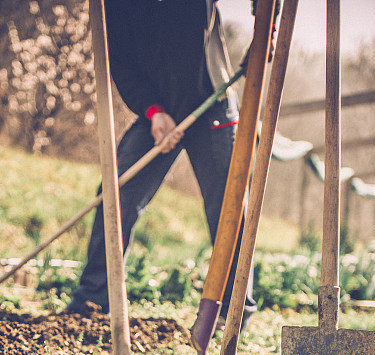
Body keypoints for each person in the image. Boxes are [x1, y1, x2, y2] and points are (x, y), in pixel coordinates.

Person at [66, 0, 259, 329]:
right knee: (118, 191)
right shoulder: (110, 6)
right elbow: (121, 64)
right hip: (160, 109)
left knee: (229, 204)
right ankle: (95, 297)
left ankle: (234, 307)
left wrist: (266, 31)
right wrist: (153, 111)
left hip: (211, 99)